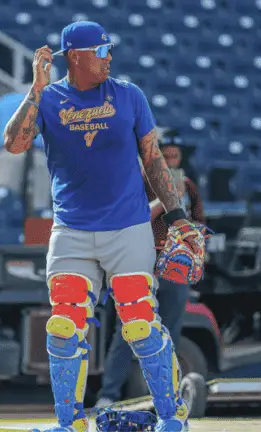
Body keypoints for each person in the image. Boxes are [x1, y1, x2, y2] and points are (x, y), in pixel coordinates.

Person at [4, 20, 205, 432]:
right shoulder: (49, 98)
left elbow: (153, 159)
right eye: (101, 51)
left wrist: (177, 216)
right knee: (63, 325)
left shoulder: (129, 95)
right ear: (75, 56)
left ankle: (172, 417)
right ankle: (70, 423)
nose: (109, 57)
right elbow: (14, 143)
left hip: (127, 228)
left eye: (109, 50)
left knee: (140, 323)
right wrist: (36, 88)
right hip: (71, 231)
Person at [95, 128, 205, 407]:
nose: (171, 160)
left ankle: (166, 394)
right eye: (165, 155)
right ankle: (109, 394)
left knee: (170, 333)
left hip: (175, 266)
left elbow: (199, 222)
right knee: (127, 331)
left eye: (175, 156)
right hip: (141, 263)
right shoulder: (139, 180)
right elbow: (132, 218)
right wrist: (166, 199)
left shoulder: (188, 185)